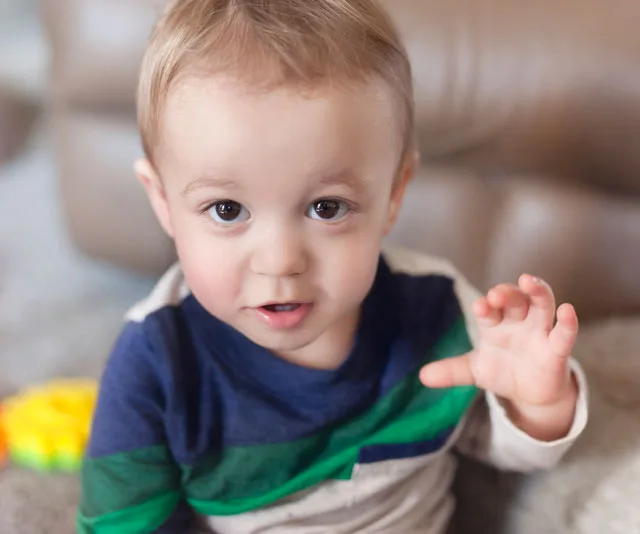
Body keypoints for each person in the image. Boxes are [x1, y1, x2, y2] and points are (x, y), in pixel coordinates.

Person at [77, 0, 588, 532]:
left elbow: (514, 453)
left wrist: (538, 398)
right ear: (162, 201)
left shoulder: (437, 309)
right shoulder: (157, 362)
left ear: (393, 194)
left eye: (327, 207)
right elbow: (121, 524)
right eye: (227, 210)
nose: (280, 260)